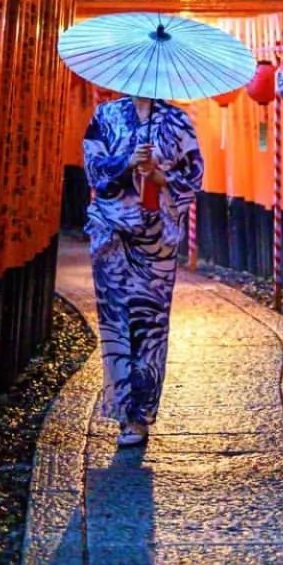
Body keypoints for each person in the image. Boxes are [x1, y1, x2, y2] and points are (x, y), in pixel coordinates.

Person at [82, 92, 204, 447]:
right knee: (116, 322)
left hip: (157, 239)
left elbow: (193, 176)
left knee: (150, 324)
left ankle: (141, 415)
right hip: (112, 236)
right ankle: (121, 409)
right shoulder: (105, 117)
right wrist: (126, 161)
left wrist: (160, 176)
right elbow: (94, 171)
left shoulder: (178, 122)